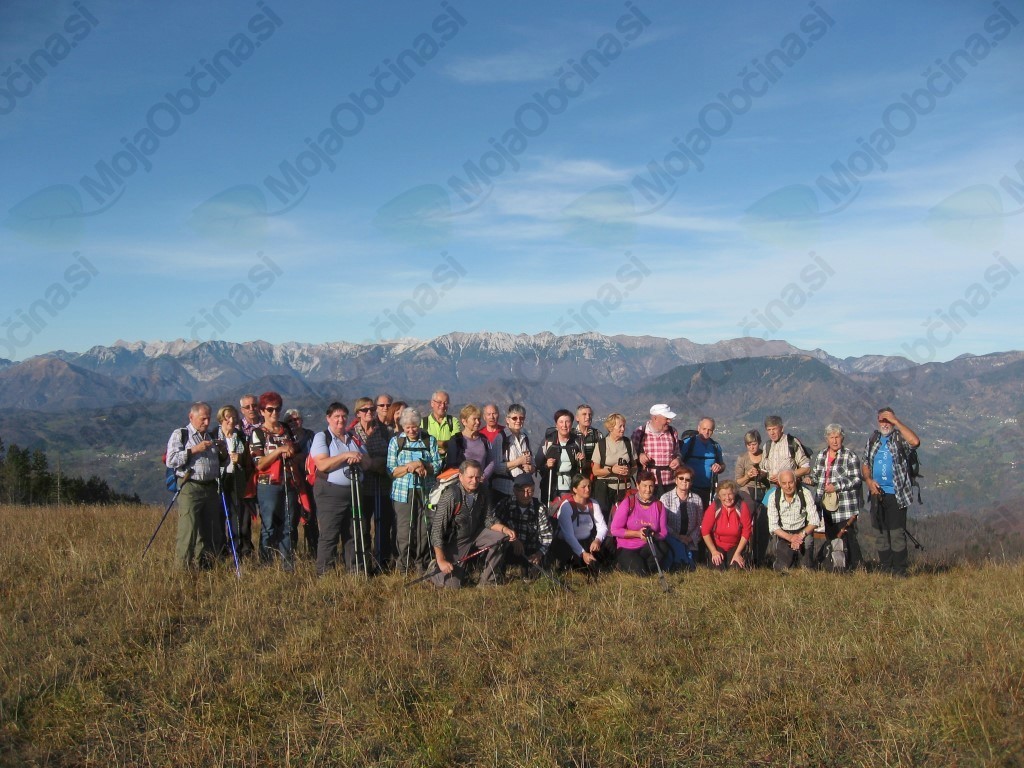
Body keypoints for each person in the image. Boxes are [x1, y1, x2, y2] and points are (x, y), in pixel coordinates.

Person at [429, 460, 514, 588]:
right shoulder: (451, 495)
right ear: (460, 476)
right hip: (457, 541)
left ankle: (487, 581)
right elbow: (437, 530)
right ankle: (433, 569)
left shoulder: (484, 491)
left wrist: (504, 529)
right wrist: (441, 560)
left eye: (477, 477)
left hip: (476, 533)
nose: (474, 481)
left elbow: (488, 519)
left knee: (500, 538)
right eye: (470, 477)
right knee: (452, 586)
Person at [309, 402, 367, 576]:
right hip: (330, 493)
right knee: (329, 533)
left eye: (343, 416)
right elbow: (322, 464)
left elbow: (368, 462)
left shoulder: (353, 437)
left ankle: (355, 571)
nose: (340, 420)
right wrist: (345, 455)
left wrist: (359, 458)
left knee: (354, 533)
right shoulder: (322, 437)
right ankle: (325, 574)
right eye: (336, 416)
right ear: (328, 418)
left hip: (354, 492)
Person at [862, 407, 921, 576]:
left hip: (897, 494)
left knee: (896, 533)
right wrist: (868, 481)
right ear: (878, 421)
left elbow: (915, 442)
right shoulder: (873, 440)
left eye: (888, 420)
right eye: (882, 420)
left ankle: (900, 570)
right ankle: (885, 568)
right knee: (880, 532)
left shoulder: (899, 438)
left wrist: (896, 421)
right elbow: (865, 463)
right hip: (876, 494)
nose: (885, 423)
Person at [165, 402, 223, 569]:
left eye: (208, 418)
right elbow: (171, 460)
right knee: (188, 529)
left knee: (211, 530)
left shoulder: (210, 436)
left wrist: (223, 452)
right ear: (191, 417)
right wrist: (194, 450)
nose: (206, 422)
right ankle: (182, 568)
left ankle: (206, 566)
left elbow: (220, 462)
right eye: (203, 419)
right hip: (190, 486)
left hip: (210, 487)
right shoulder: (181, 434)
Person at [249, 391, 301, 570]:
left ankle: (288, 564)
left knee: (289, 524)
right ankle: (266, 564)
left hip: (289, 482)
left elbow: (296, 451)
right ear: (262, 411)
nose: (274, 413)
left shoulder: (286, 429)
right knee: (269, 525)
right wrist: (279, 451)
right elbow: (259, 463)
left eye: (277, 409)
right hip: (268, 485)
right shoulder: (258, 433)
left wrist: (291, 452)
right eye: (270, 409)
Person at [387, 407, 441, 574]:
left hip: (425, 490)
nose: (411, 430)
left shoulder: (429, 440)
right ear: (403, 426)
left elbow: (437, 465)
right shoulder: (396, 442)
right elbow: (391, 470)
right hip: (403, 492)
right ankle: (403, 563)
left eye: (414, 426)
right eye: (407, 427)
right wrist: (409, 467)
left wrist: (421, 464)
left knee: (424, 528)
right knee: (404, 528)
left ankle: (421, 562)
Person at [810, 424, 863, 571]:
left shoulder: (850, 456)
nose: (834, 441)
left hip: (845, 507)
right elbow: (817, 476)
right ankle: (835, 566)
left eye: (837, 437)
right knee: (832, 538)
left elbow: (856, 479)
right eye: (831, 437)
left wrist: (837, 486)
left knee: (848, 538)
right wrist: (809, 480)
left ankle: (857, 568)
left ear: (842, 438)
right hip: (826, 506)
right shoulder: (821, 455)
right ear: (827, 439)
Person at [351, 396, 395, 570]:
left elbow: (392, 455)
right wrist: (374, 463)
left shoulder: (384, 431)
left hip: (383, 486)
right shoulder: (352, 433)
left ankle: (381, 562)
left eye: (371, 409)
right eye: (364, 410)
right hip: (361, 488)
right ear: (358, 413)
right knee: (362, 526)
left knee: (382, 525)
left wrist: (374, 463)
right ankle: (364, 562)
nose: (369, 412)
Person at [492, 473, 553, 578]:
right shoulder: (505, 504)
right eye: (522, 491)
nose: (526, 495)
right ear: (514, 491)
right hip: (509, 547)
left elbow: (547, 536)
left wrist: (539, 554)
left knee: (534, 576)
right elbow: (492, 522)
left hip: (531, 550)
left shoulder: (540, 508)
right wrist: (512, 539)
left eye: (530, 491)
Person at [610, 470, 668, 576]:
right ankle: (628, 565)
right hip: (627, 547)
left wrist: (653, 535)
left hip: (647, 545)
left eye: (651, 486)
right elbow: (614, 530)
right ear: (637, 485)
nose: (648, 490)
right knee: (641, 574)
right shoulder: (628, 502)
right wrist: (637, 534)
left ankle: (643, 567)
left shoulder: (659, 505)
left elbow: (663, 532)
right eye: (644, 486)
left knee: (662, 548)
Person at [215, 404, 252, 562]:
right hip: (219, 481)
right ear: (221, 419)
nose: (231, 421)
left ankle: (239, 550)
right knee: (219, 516)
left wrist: (240, 458)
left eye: (234, 418)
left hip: (237, 480)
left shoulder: (242, 437)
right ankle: (220, 551)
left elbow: (249, 460)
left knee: (238, 517)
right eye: (227, 418)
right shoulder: (213, 436)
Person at [549, 474, 608, 569]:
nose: (587, 489)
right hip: (566, 544)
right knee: (574, 567)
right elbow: (569, 536)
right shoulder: (567, 506)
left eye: (589, 486)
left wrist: (597, 540)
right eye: (583, 487)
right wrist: (582, 553)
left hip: (587, 541)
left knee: (600, 558)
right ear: (575, 489)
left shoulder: (594, 504)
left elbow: (602, 527)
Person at [768, 470, 821, 571]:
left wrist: (800, 536)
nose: (788, 486)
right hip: (784, 534)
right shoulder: (773, 497)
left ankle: (806, 563)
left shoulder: (805, 493)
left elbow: (814, 521)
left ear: (795, 481)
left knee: (806, 568)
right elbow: (773, 526)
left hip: (803, 531)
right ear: (779, 484)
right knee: (783, 569)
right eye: (784, 483)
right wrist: (790, 538)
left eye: (790, 482)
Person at [284, 408, 317, 559]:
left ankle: (314, 550)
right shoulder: (285, 438)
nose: (293, 422)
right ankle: (292, 552)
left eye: (296, 419)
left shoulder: (311, 435)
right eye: (289, 421)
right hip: (292, 481)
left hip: (310, 480)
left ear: (301, 420)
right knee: (292, 518)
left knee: (311, 516)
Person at [735, 429, 770, 566]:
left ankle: (760, 557)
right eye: (749, 445)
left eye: (754, 444)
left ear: (759, 442)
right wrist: (748, 476)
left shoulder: (766, 456)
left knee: (763, 522)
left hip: (764, 491)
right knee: (748, 517)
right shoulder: (742, 458)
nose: (752, 447)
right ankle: (744, 552)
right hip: (747, 491)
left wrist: (763, 475)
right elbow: (738, 482)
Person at [591, 412, 636, 514]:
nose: (623, 429)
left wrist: (629, 471)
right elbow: (595, 471)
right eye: (620, 426)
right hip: (604, 488)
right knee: (603, 516)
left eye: (624, 426)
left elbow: (634, 466)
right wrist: (612, 470)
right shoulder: (601, 444)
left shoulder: (628, 443)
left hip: (624, 488)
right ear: (611, 428)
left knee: (624, 516)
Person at [701, 479, 752, 569]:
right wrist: (713, 551)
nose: (727, 498)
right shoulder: (714, 507)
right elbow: (705, 531)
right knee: (718, 568)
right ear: (719, 497)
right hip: (717, 545)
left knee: (736, 568)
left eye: (730, 494)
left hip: (736, 545)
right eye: (724, 495)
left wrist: (737, 553)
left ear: (734, 494)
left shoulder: (742, 506)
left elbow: (746, 531)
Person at [536, 409, 584, 504]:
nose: (564, 425)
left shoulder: (577, 442)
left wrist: (582, 461)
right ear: (556, 425)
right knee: (552, 511)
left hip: (571, 486)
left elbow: (582, 466)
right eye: (561, 422)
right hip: (551, 486)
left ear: (571, 424)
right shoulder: (548, 442)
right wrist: (547, 465)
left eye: (567, 422)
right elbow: (538, 464)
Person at [631, 403, 680, 498]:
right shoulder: (640, 432)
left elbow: (677, 452)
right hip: (648, 484)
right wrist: (639, 456)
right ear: (655, 418)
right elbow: (631, 455)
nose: (669, 421)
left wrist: (678, 459)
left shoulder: (672, 432)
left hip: (670, 483)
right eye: (666, 418)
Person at [490, 403, 534, 502]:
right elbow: (496, 467)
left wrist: (531, 468)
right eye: (514, 418)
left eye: (521, 418)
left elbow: (533, 464)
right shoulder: (501, 438)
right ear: (507, 420)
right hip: (503, 491)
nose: (518, 421)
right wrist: (519, 461)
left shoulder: (525, 438)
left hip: (521, 493)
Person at [660, 466, 702, 571]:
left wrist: (690, 538)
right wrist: (678, 537)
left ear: (691, 482)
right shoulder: (665, 498)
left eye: (687, 479)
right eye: (681, 478)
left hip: (690, 542)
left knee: (692, 566)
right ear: (676, 480)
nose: (684, 481)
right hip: (671, 540)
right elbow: (663, 524)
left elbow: (700, 524)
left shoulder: (697, 499)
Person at [235, 393, 262, 557]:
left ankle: (268, 551)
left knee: (268, 516)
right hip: (244, 479)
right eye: (247, 407)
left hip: (264, 477)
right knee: (243, 520)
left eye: (254, 405)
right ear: (242, 410)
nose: (251, 409)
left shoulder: (266, 426)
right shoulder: (236, 429)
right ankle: (246, 552)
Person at [678, 417, 725, 508]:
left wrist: (719, 467)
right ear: (698, 428)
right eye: (704, 429)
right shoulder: (688, 443)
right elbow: (679, 461)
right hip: (689, 488)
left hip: (708, 490)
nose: (706, 432)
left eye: (709, 430)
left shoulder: (715, 446)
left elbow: (722, 465)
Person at [444, 404, 494, 483]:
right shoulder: (456, 440)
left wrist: (483, 476)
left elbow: (491, 461)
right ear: (464, 421)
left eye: (479, 419)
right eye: (474, 419)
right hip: (461, 485)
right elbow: (451, 465)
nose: (478, 422)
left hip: (481, 485)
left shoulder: (484, 439)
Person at [762, 415, 811, 486]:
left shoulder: (792, 443)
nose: (772, 433)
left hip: (791, 487)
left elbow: (806, 468)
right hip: (773, 488)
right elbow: (763, 469)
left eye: (774, 429)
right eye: (769, 430)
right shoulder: (767, 446)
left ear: (781, 429)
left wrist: (784, 476)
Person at [422, 390, 460, 459]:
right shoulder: (423, 423)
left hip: (449, 462)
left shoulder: (453, 421)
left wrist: (432, 444)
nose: (442, 406)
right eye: (439, 402)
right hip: (429, 462)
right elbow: (421, 443)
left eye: (446, 403)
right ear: (432, 403)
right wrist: (443, 445)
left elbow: (456, 442)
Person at [572, 404, 601, 469]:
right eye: (584, 414)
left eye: (590, 414)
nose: (588, 417)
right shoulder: (571, 435)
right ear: (577, 418)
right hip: (576, 471)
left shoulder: (597, 434)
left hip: (594, 471)